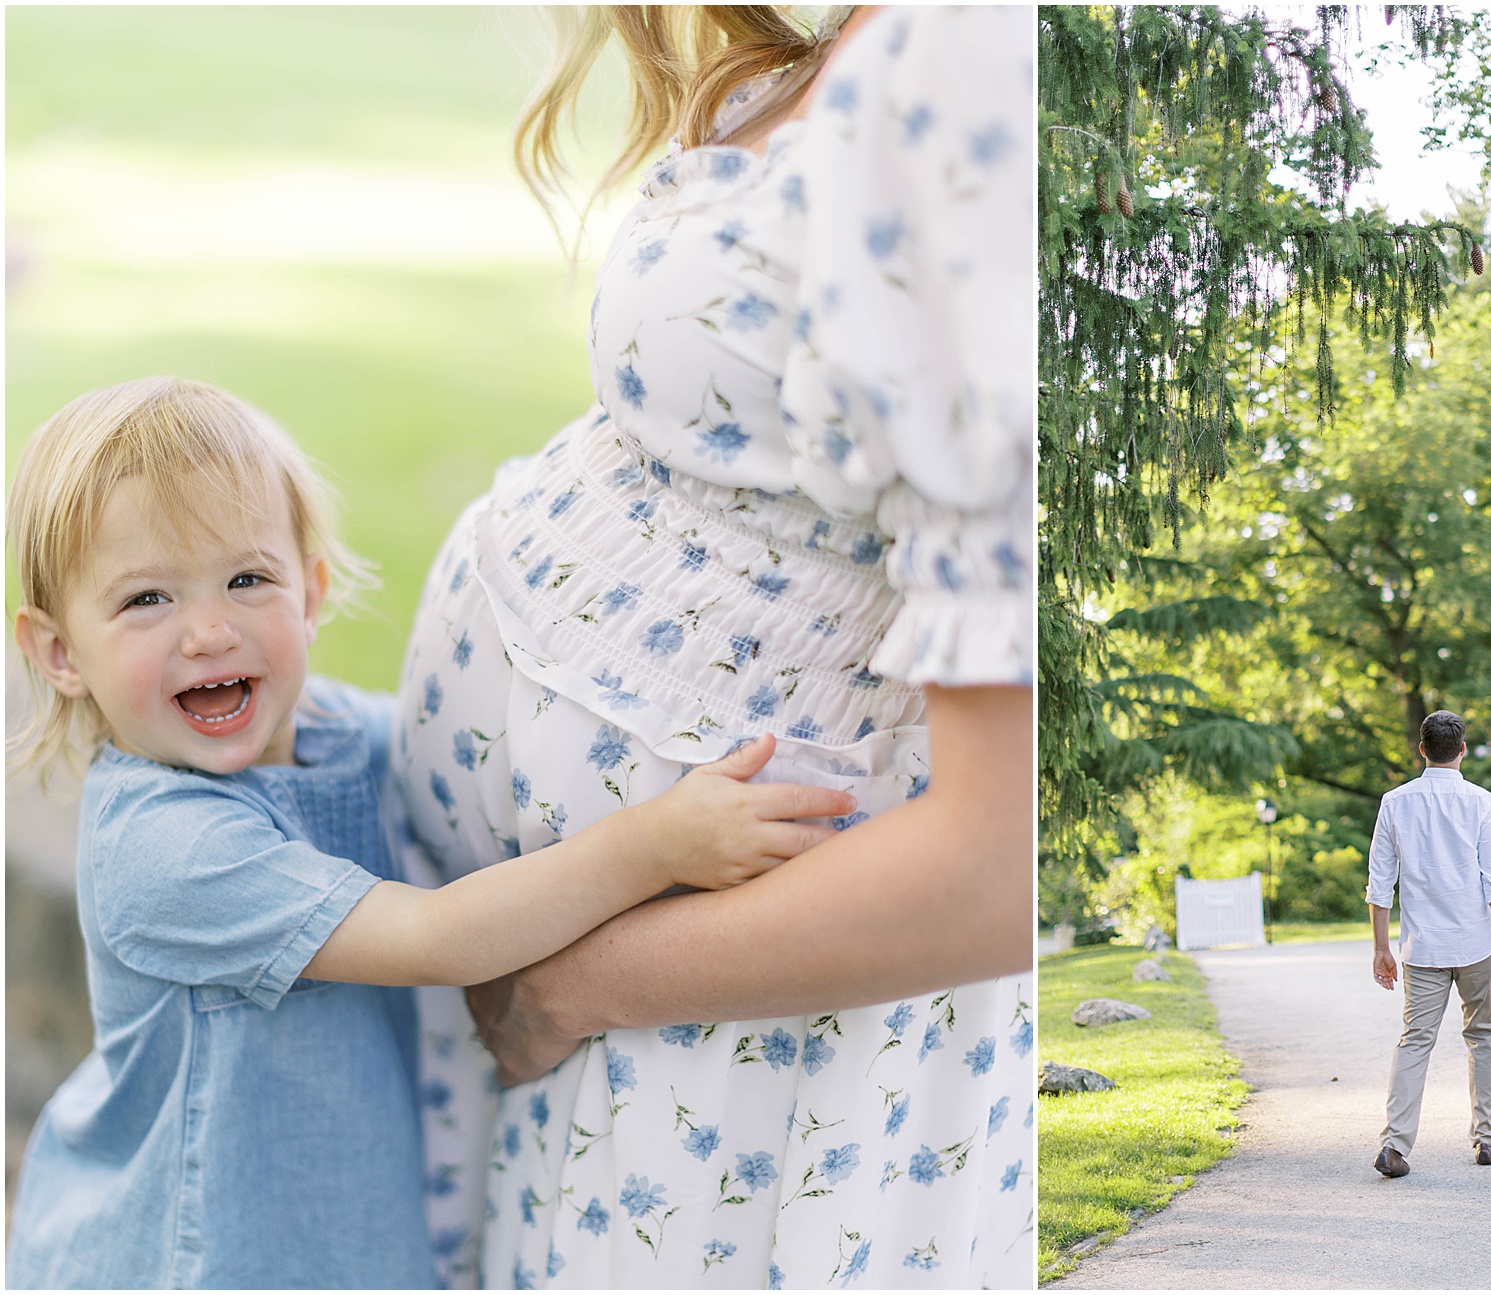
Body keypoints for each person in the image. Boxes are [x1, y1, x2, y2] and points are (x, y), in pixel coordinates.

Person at [390, 6, 1035, 1287]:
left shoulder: (976, 81)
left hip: (731, 1045)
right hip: (600, 1009)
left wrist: (574, 984)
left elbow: (993, 862)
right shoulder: (856, 34)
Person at [3, 378, 853, 1288]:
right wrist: (655, 843)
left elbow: (433, 755)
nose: (209, 630)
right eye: (145, 601)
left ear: (310, 594)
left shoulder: (326, 733)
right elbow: (436, 934)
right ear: (58, 654)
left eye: (246, 579)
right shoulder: (163, 847)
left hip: (319, 1233)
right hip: (187, 1258)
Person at [1366, 709, 1491, 1177]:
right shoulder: (1482, 802)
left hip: (1422, 947)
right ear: (1461, 751)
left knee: (1415, 1040)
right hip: (1477, 941)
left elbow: (1380, 883)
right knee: (1484, 1037)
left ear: (1422, 750)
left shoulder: (1395, 801)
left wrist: (1380, 948)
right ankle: (1486, 1141)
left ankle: (1394, 1146)